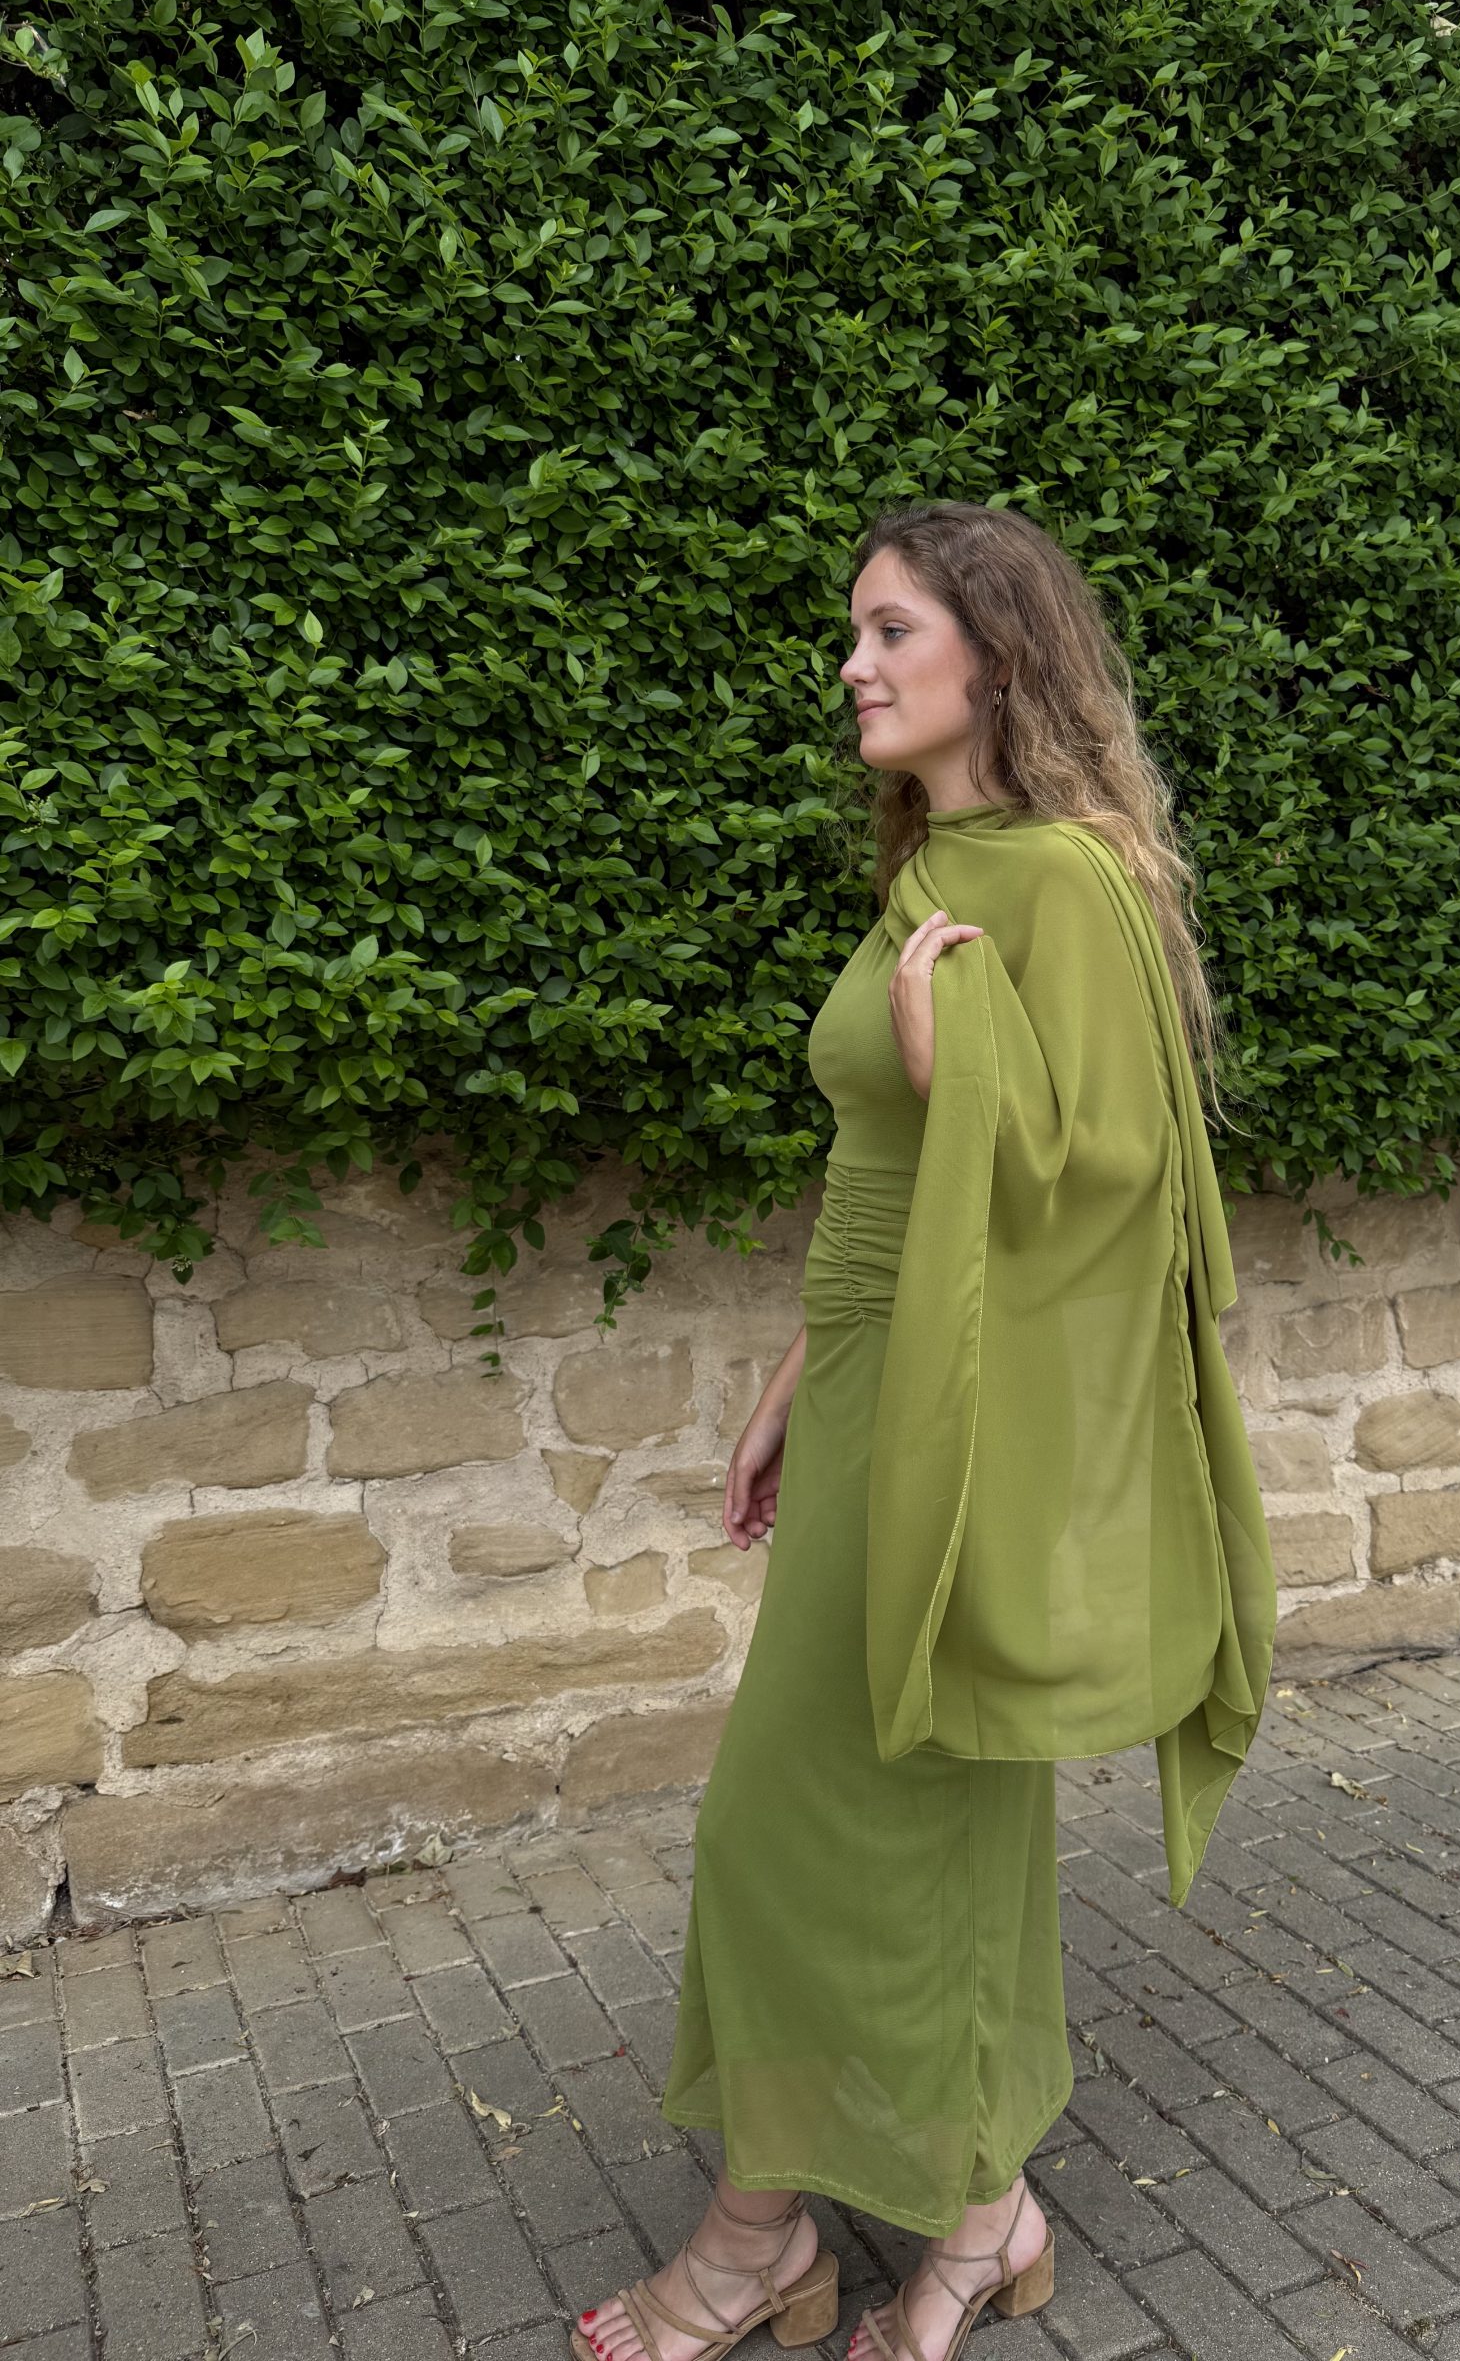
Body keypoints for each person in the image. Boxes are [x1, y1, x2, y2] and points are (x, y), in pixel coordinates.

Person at [573, 500, 1276, 2361]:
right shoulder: (942, 863)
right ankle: (953, 2216)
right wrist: (794, 1381)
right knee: (859, 1809)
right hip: (876, 1386)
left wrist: (967, 1073)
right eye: (856, 633)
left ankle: (792, 2235)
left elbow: (1118, 1183)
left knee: (855, 1809)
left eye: (891, 631)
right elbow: (881, 1177)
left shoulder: (1067, 880)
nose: (854, 667)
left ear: (1000, 653)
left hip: (966, 1414)